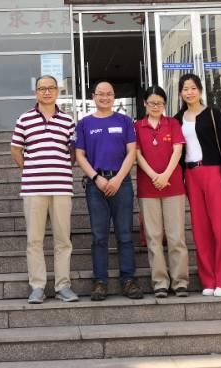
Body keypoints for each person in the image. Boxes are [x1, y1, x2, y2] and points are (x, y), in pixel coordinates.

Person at [10, 75, 79, 304]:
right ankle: (37, 287)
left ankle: (63, 286)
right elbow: (16, 150)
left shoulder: (68, 121)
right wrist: (31, 169)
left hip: (61, 188)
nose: (47, 92)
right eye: (42, 88)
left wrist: (59, 168)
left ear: (57, 91)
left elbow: (73, 152)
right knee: (34, 241)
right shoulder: (24, 119)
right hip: (33, 189)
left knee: (63, 241)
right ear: (36, 92)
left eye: (51, 88)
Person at [74, 80, 143, 301]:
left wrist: (118, 179)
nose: (105, 97)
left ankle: (128, 281)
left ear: (114, 97)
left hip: (122, 183)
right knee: (99, 236)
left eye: (109, 94)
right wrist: (97, 178)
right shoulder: (84, 123)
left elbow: (131, 152)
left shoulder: (125, 121)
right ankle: (100, 282)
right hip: (96, 185)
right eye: (101, 94)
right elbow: (79, 155)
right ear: (93, 96)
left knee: (125, 235)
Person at [174, 72, 221, 297]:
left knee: (219, 227)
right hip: (191, 175)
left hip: (213, 172)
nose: (189, 92)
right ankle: (209, 280)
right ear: (180, 93)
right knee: (200, 229)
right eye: (185, 89)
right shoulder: (177, 118)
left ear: (200, 90)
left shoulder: (212, 113)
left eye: (193, 88)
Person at [134, 85, 189, 298]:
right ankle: (160, 282)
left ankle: (180, 281)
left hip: (173, 186)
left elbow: (178, 151)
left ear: (164, 104)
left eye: (160, 103)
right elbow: (137, 155)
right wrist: (154, 176)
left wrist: (165, 175)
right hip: (148, 188)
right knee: (153, 237)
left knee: (176, 236)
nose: (156, 106)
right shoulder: (137, 126)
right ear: (144, 104)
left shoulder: (173, 123)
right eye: (152, 103)